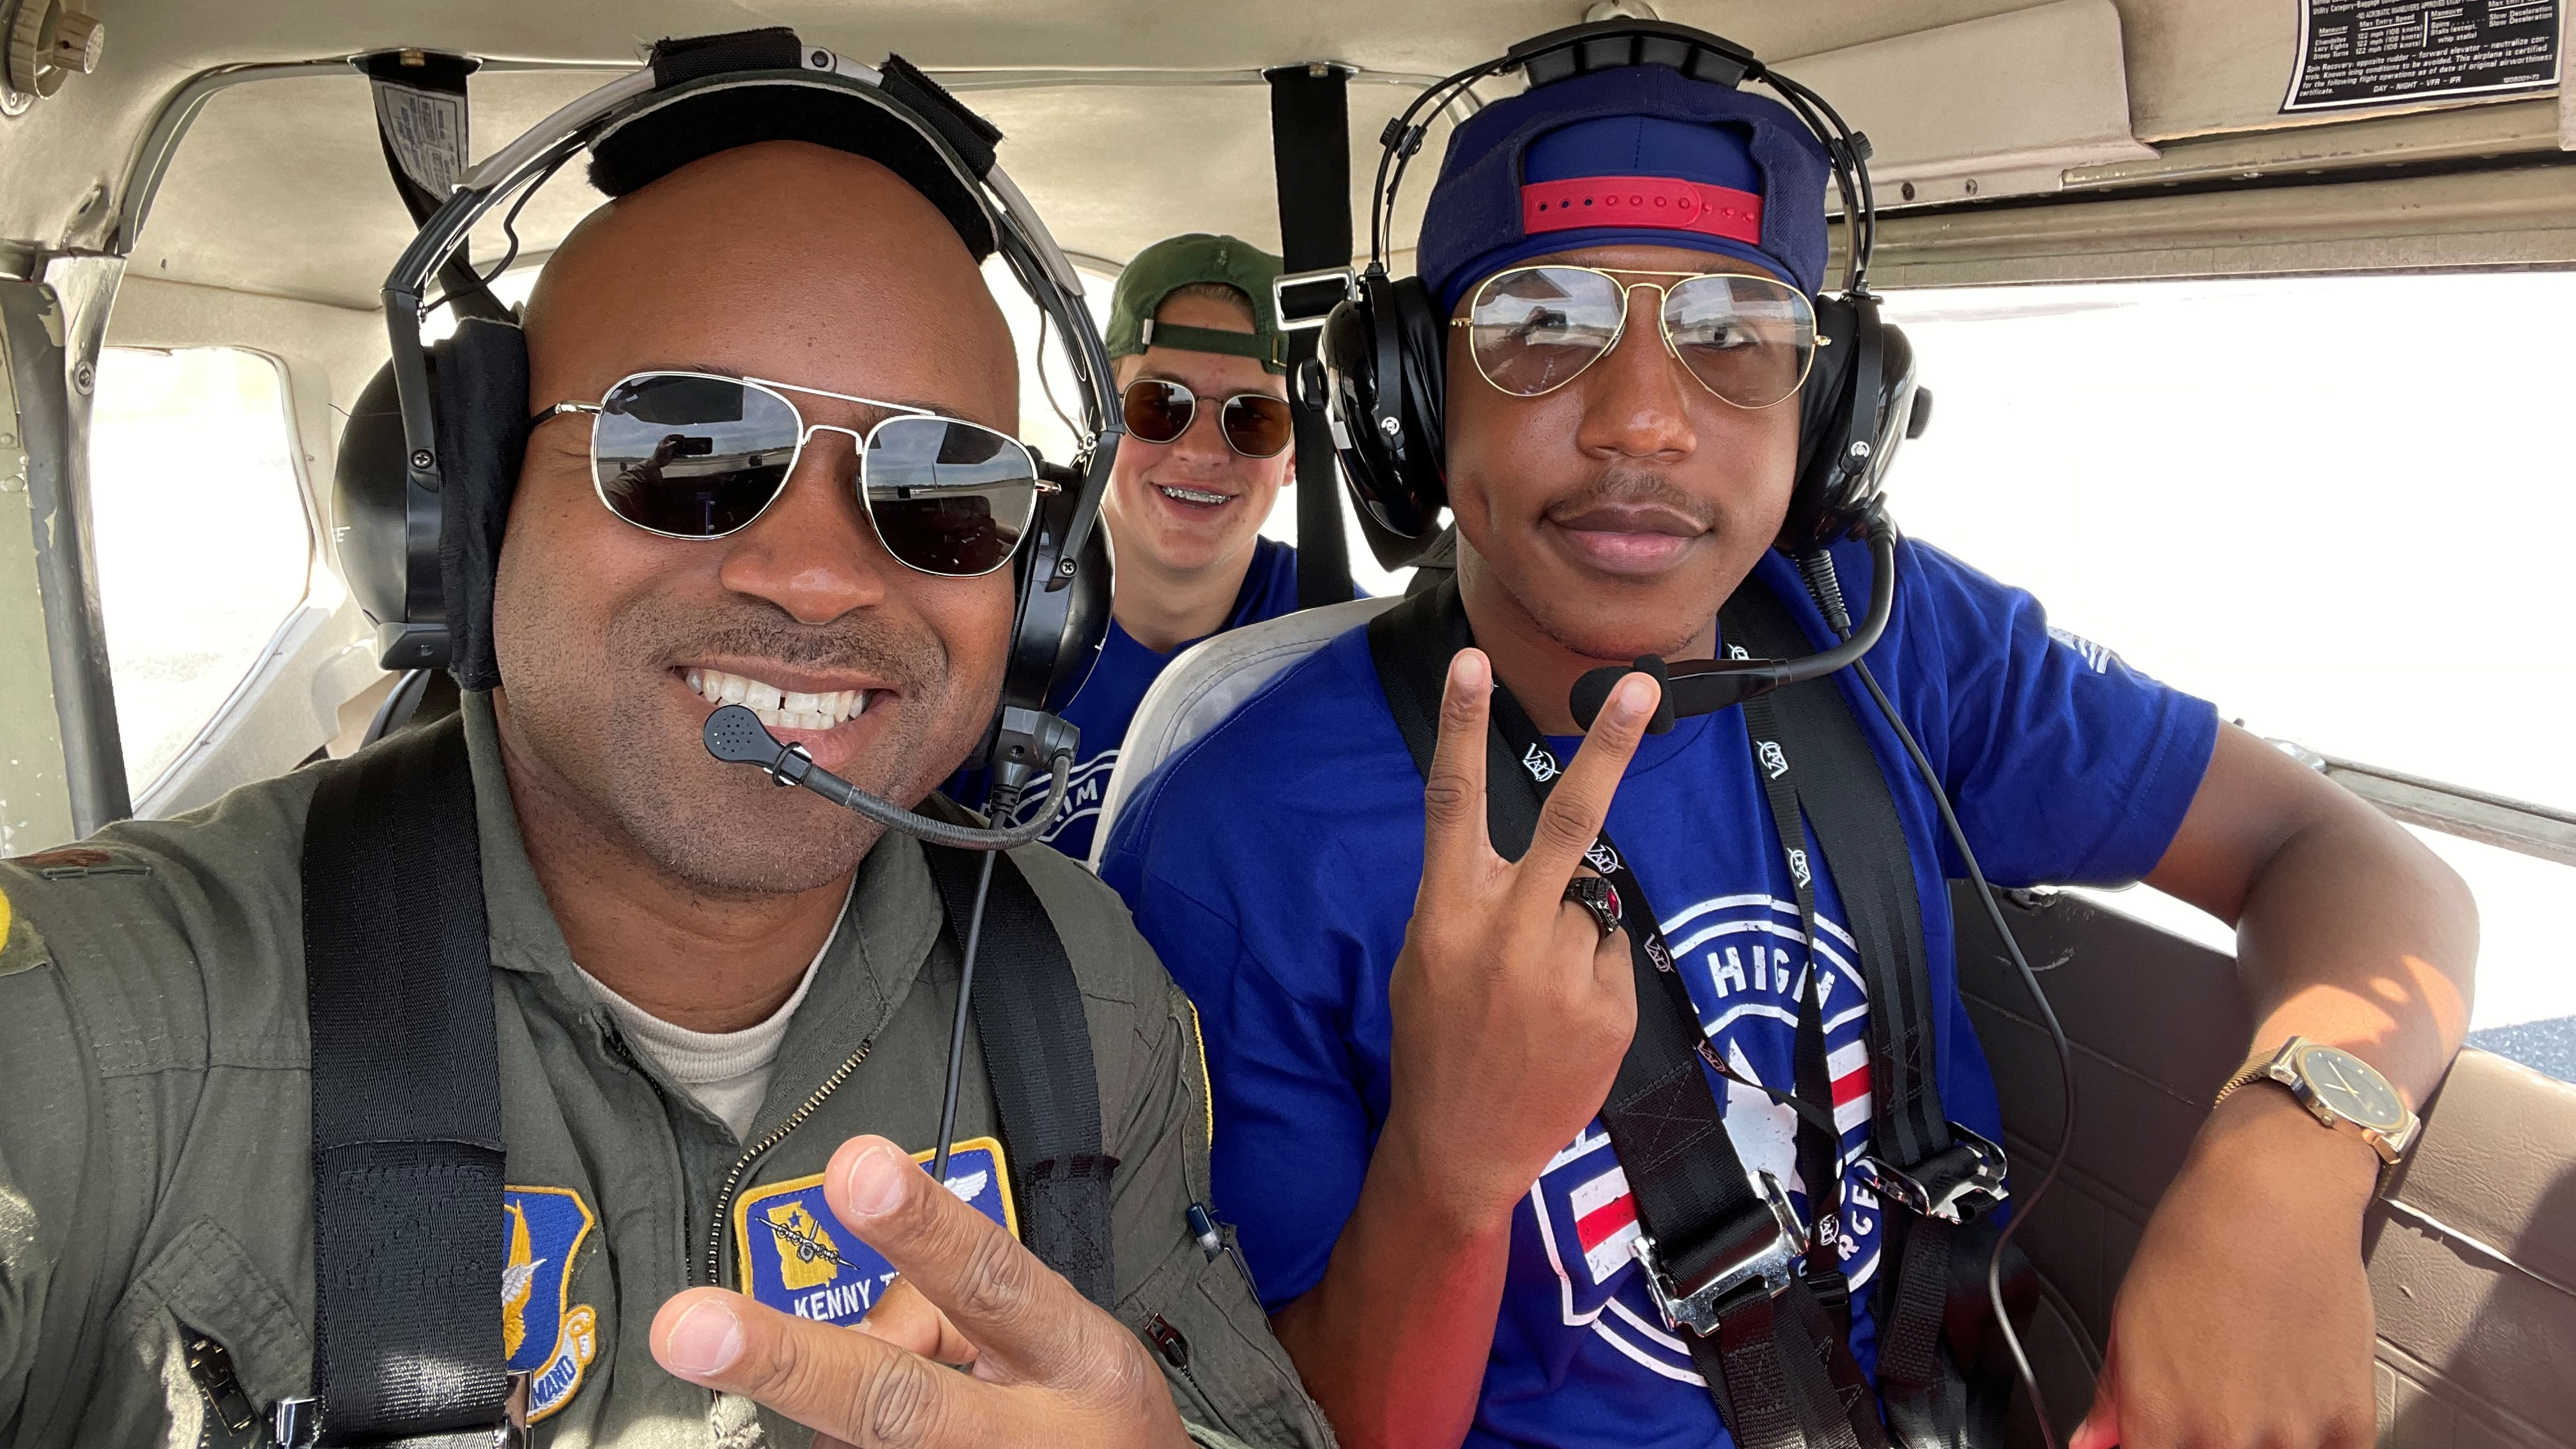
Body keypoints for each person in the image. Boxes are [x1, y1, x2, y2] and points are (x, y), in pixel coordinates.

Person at [1100, 54, 2475, 1449]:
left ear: (1830, 422)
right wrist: (1446, 1177)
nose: (1642, 415)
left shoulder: (1887, 632)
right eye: (1538, 321)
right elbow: (1307, 1430)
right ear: (1411, 403)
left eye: (1736, 330)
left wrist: (2291, 1156)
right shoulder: (1238, 836)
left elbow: (2345, 859)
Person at [0, 119, 1331, 1449]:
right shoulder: (96, 1029)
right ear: (471, 512)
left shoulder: (1086, 988)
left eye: (940, 485)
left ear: (1037, 597)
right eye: (687, 449)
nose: (817, 575)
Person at [949, 233, 1307, 861]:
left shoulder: (1338, 640)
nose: (1199, 452)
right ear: (1101, 420)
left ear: (1295, 456)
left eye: (1252, 418)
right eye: (1160, 405)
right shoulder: (982, 609)